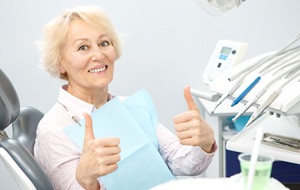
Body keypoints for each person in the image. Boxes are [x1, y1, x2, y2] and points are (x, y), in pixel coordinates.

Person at [34, 5, 217, 190]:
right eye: (83, 47)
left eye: (104, 43)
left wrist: (204, 142)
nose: (98, 55)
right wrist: (87, 181)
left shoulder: (128, 106)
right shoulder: (53, 130)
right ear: (60, 63)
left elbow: (179, 161)